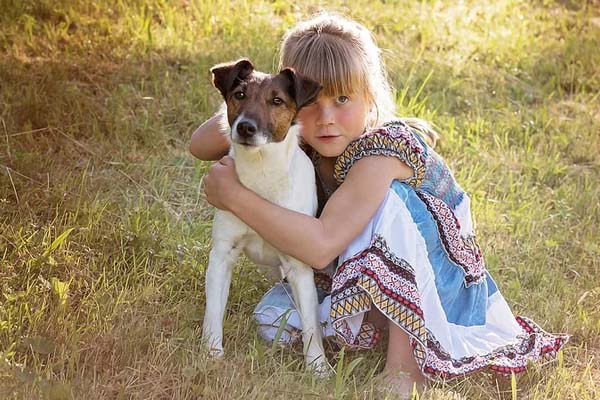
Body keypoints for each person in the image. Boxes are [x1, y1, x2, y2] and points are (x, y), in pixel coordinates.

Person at [192, 13, 568, 397]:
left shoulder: (382, 151)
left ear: (369, 95)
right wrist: (255, 92)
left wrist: (236, 197)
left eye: (342, 98)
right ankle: (376, 326)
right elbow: (199, 145)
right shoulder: (297, 131)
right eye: (312, 100)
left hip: (440, 283)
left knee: (390, 203)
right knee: (275, 321)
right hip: (359, 266)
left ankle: (405, 369)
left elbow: (321, 248)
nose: (325, 118)